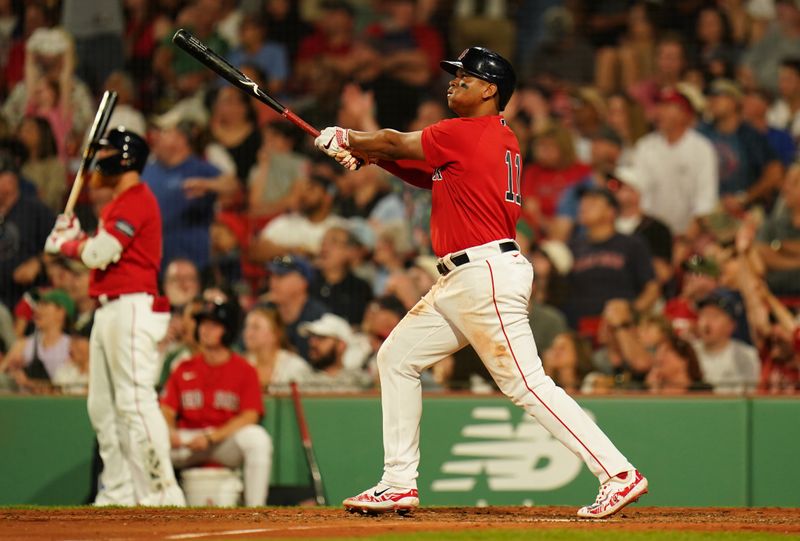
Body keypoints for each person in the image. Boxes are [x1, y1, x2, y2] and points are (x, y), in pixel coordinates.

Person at [314, 46, 648, 518]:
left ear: (491, 89)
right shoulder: (490, 136)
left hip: (483, 273)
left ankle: (617, 472)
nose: (453, 81)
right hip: (464, 277)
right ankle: (397, 482)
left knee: (527, 385)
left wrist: (348, 137)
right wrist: (368, 157)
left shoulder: (467, 131)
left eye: (465, 76)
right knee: (396, 359)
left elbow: (392, 141)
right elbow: (426, 173)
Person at [43, 127, 185, 506]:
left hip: (133, 306)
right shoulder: (120, 202)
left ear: (123, 158)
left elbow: (99, 254)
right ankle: (120, 490)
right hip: (109, 308)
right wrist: (74, 235)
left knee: (136, 401)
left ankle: (162, 492)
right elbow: (98, 248)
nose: (98, 159)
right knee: (103, 406)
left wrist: (66, 245)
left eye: (105, 152)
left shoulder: (137, 198)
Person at [160, 299, 272, 507]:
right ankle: (155, 507)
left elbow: (250, 416)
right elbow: (166, 408)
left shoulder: (244, 369)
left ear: (228, 331)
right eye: (203, 324)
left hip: (222, 441)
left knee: (258, 439)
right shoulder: (184, 367)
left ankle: (255, 510)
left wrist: (211, 438)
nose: (205, 330)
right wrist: (170, 431)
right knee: (151, 441)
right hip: (188, 441)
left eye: (213, 325)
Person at [0, 151, 54, 311]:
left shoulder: (36, 211)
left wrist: (38, 263)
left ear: (10, 180)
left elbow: (59, 247)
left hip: (28, 301)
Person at [296, 313, 372, 392]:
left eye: (321, 337)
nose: (312, 343)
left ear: (341, 345)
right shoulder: (300, 380)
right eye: (312, 337)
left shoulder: (361, 382)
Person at [242, 305, 311, 392]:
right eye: (246, 327)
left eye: (256, 327)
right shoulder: (240, 366)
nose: (248, 333)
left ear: (275, 334)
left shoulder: (295, 367)